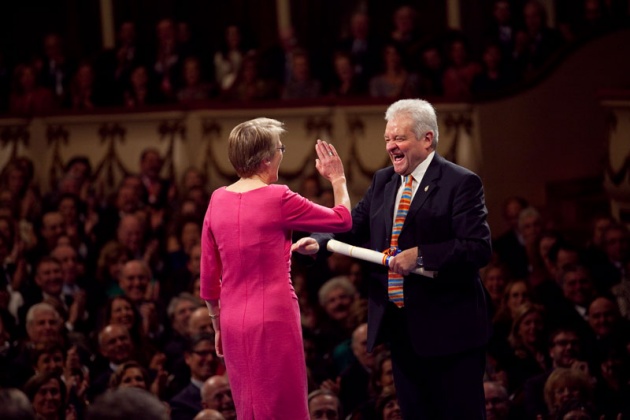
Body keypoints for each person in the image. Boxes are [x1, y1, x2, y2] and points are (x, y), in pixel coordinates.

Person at [312, 98, 492, 419]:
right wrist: (319, 240)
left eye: (399, 138)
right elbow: (355, 227)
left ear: (427, 139)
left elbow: (477, 247)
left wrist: (421, 256)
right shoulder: (383, 181)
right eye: (387, 139)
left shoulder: (460, 182)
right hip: (401, 329)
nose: (391, 146)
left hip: (451, 332)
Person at [200, 117, 352, 419]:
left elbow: (208, 276)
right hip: (274, 315)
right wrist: (338, 179)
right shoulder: (278, 196)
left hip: (231, 319)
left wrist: (217, 325)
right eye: (280, 148)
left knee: (250, 408)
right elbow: (342, 219)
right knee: (285, 406)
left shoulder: (217, 199)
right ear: (267, 157)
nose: (282, 154)